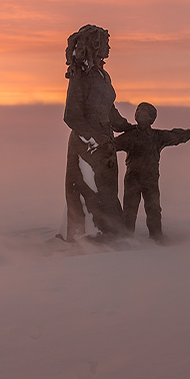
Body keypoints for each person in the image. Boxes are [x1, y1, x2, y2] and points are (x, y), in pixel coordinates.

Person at [63, 24, 133, 242]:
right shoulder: (80, 77)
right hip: (86, 146)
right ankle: (89, 237)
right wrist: (95, 139)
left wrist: (126, 126)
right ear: (94, 45)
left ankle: (112, 232)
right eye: (105, 42)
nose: (109, 47)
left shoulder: (103, 75)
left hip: (103, 144)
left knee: (107, 191)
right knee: (88, 190)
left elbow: (108, 109)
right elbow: (71, 116)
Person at [115, 102, 190, 241]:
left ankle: (156, 237)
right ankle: (126, 239)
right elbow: (110, 146)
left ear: (151, 118)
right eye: (138, 110)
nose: (139, 113)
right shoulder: (130, 136)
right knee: (129, 210)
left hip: (150, 179)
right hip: (132, 178)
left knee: (153, 210)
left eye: (143, 111)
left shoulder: (157, 136)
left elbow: (174, 135)